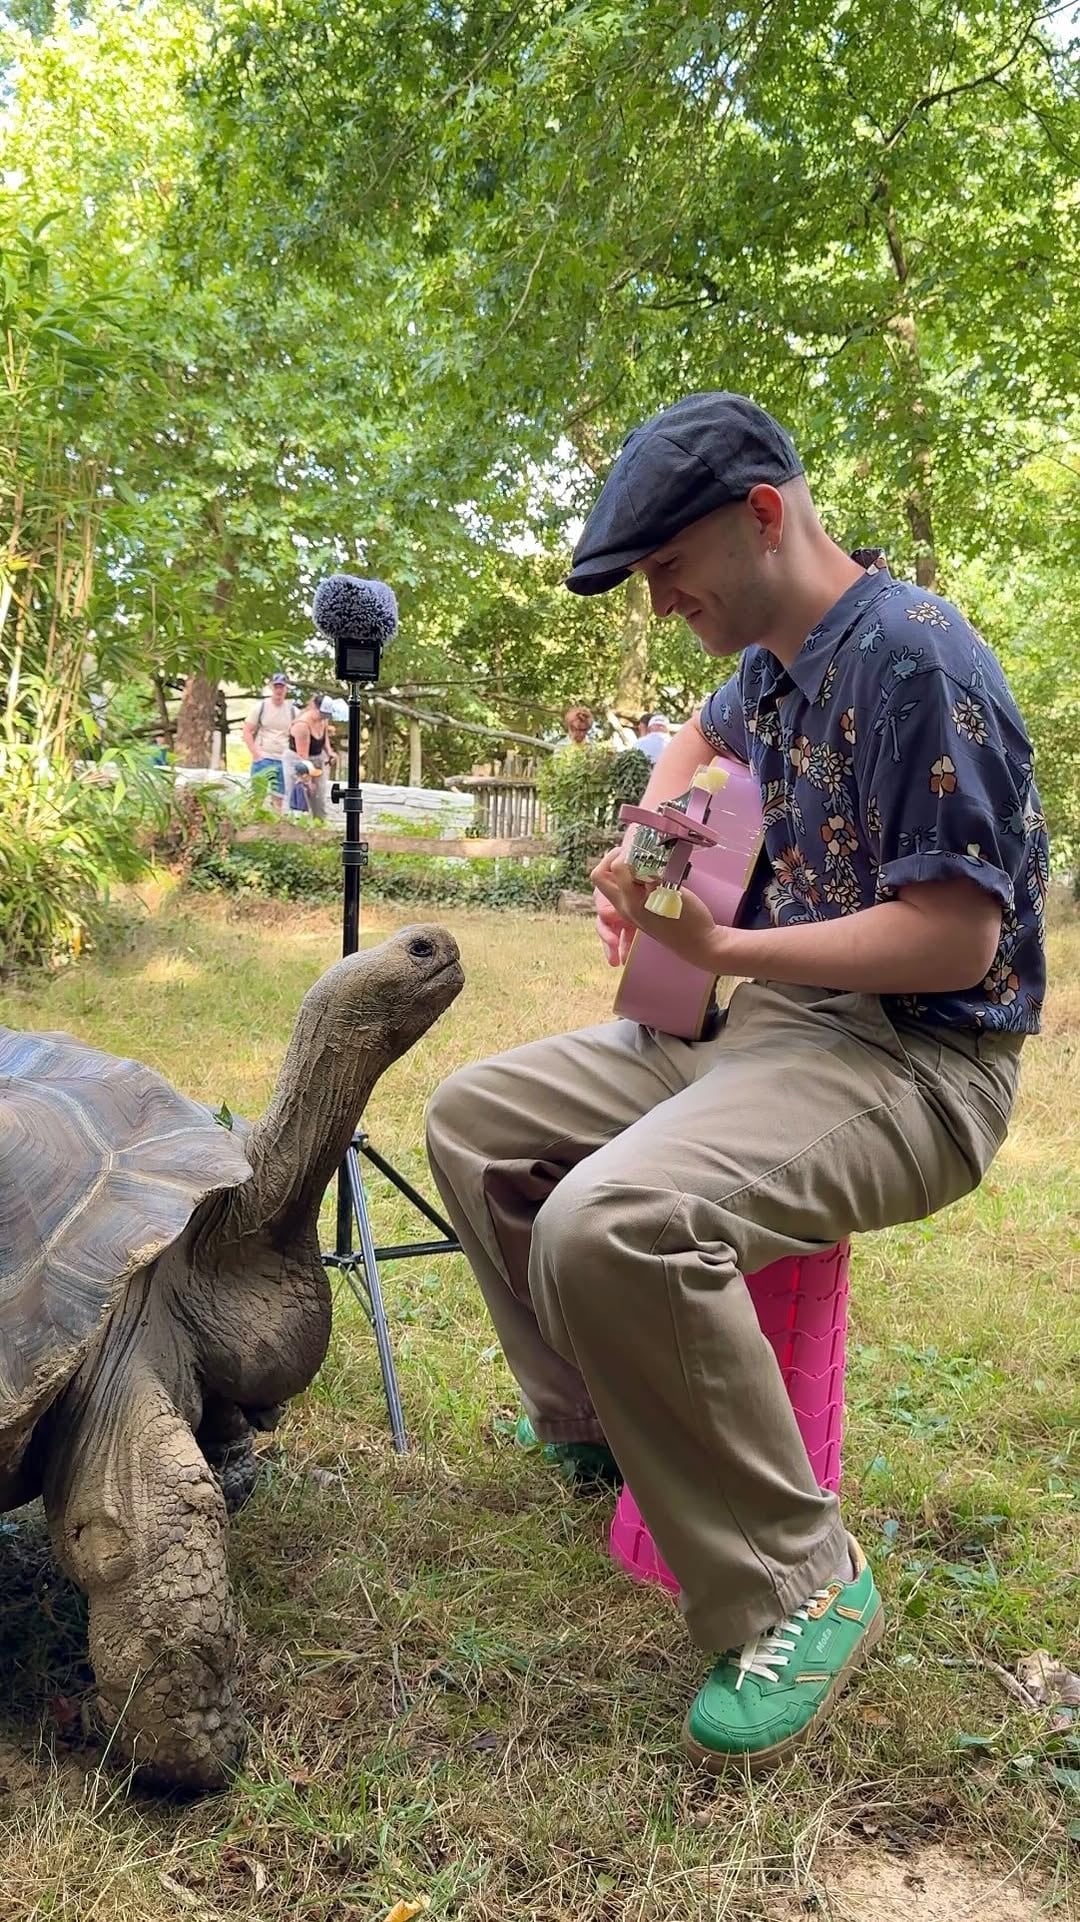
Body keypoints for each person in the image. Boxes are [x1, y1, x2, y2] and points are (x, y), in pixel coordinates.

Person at [426, 391, 1047, 1775]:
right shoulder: (771, 660)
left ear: (765, 515)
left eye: (664, 570)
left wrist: (722, 941)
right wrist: (655, 857)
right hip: (759, 1024)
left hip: (913, 1059)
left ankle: (799, 1583)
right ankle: (604, 1426)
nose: (656, 605)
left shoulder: (914, 660)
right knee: (475, 1125)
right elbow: (703, 745)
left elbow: (958, 934)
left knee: (615, 1218)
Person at [242, 673, 296, 811]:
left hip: (282, 759)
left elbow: (299, 734)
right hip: (264, 756)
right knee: (257, 796)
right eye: (276, 686)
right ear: (271, 687)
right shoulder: (260, 708)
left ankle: (276, 828)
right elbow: (247, 730)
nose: (279, 690)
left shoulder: (292, 711)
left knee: (278, 799)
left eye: (282, 687)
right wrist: (255, 753)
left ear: (286, 689)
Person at [284, 692, 335, 818]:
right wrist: (307, 779)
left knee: (319, 796)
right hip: (298, 761)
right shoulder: (302, 725)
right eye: (321, 714)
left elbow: (325, 738)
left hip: (317, 758)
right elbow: (303, 756)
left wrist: (329, 752)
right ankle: (297, 826)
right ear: (315, 708)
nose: (323, 717)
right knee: (301, 795)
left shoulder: (323, 721)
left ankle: (320, 823)